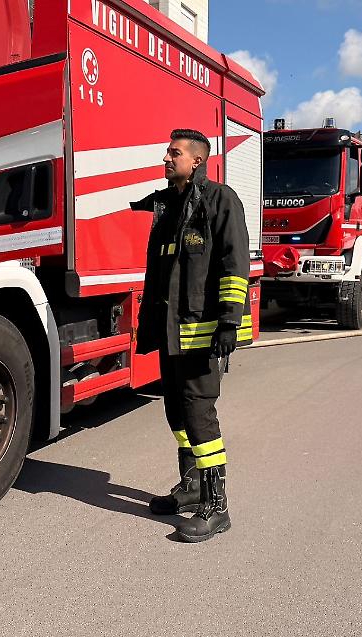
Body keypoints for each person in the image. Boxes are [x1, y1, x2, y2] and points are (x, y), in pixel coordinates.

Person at [131, 129, 250, 543]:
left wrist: (229, 323)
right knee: (176, 414)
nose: (166, 157)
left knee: (200, 417)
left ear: (196, 160)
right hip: (171, 334)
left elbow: (234, 265)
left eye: (174, 152)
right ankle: (192, 485)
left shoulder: (220, 200)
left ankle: (217, 507)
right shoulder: (170, 205)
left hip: (203, 333)